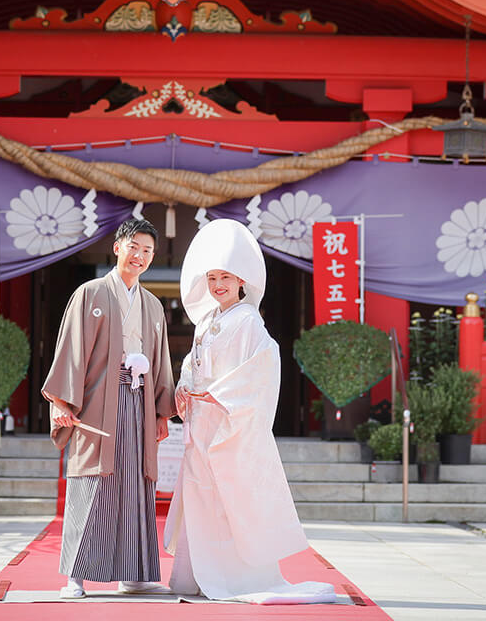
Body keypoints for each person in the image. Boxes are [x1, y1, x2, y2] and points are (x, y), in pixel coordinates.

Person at [163, 218, 335, 603]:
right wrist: (184, 386)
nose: (218, 285)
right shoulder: (205, 321)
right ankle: (193, 577)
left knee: (229, 499)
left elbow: (262, 366)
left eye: (225, 277)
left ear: (241, 280)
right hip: (202, 424)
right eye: (212, 278)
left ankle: (231, 578)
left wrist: (221, 394)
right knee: (200, 497)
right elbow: (191, 365)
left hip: (229, 425)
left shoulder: (248, 321)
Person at [41, 217, 177, 599]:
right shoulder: (90, 294)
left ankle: (134, 574)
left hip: (139, 401)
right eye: (134, 247)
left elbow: (161, 361)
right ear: (117, 247)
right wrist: (61, 403)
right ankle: (75, 575)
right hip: (96, 402)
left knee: (136, 483)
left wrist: (161, 413)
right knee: (93, 480)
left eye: (148, 251)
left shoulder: (152, 305)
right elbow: (70, 350)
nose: (140, 256)